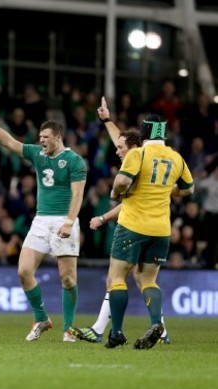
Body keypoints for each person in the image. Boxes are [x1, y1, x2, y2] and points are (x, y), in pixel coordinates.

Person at [0, 107, 87, 342]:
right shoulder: (38, 154)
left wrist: (69, 222)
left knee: (68, 279)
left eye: (46, 137)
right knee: (24, 271)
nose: (41, 141)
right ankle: (41, 318)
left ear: (58, 137)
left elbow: (77, 196)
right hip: (41, 220)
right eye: (40, 137)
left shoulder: (74, 161)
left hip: (64, 219)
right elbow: (7, 141)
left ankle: (68, 329)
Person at [70, 98, 171, 344]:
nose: (117, 150)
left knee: (119, 278)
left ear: (135, 146)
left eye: (120, 147)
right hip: (156, 227)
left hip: (136, 227)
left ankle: (107, 331)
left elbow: (127, 202)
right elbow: (122, 139)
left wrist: (104, 217)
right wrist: (106, 120)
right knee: (141, 280)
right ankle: (158, 328)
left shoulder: (136, 162)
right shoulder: (144, 158)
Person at [104, 113, 193, 349]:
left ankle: (116, 332)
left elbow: (122, 182)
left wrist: (114, 195)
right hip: (161, 229)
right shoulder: (176, 158)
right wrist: (165, 189)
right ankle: (155, 322)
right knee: (148, 279)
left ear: (143, 134)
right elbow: (188, 189)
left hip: (133, 226)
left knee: (116, 278)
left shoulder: (138, 154)